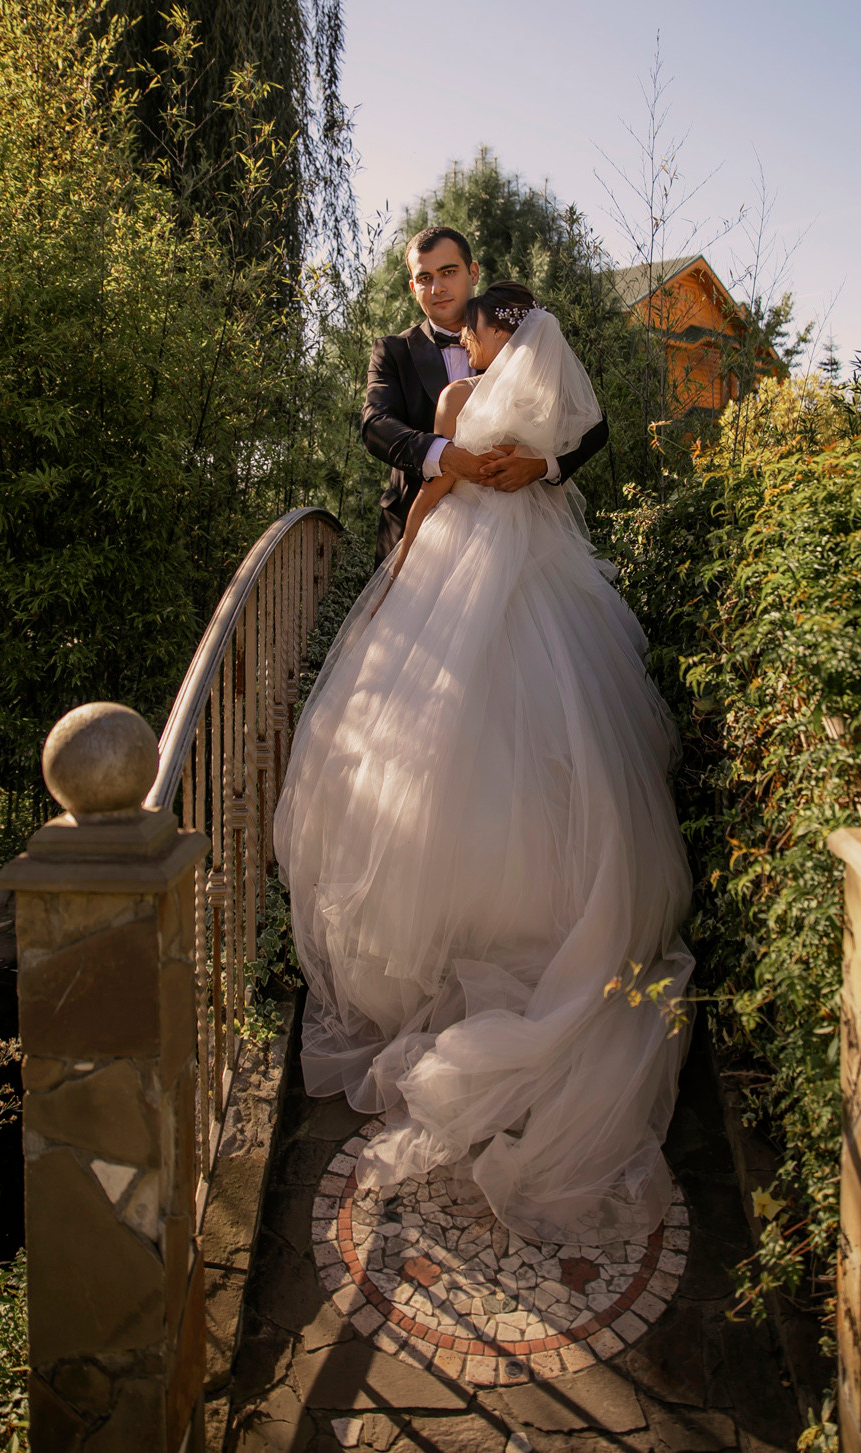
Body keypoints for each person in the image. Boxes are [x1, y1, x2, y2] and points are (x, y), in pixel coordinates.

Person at [274, 283, 693, 1244]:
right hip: (546, 581)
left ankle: (445, 951)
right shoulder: (547, 410)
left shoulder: (464, 398)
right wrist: (540, 470)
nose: (465, 332)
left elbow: (431, 488)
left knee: (436, 743)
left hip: (461, 576)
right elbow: (571, 458)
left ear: (489, 328)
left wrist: (394, 576)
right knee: (561, 739)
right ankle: (548, 930)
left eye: (474, 323)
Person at [362, 225, 609, 563]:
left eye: (448, 272)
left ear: (473, 271)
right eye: (424, 278)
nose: (437, 288)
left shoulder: (524, 337)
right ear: (412, 287)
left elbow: (593, 423)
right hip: (418, 537)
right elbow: (376, 425)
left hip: (520, 541)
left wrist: (541, 466)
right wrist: (445, 455)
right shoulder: (392, 351)